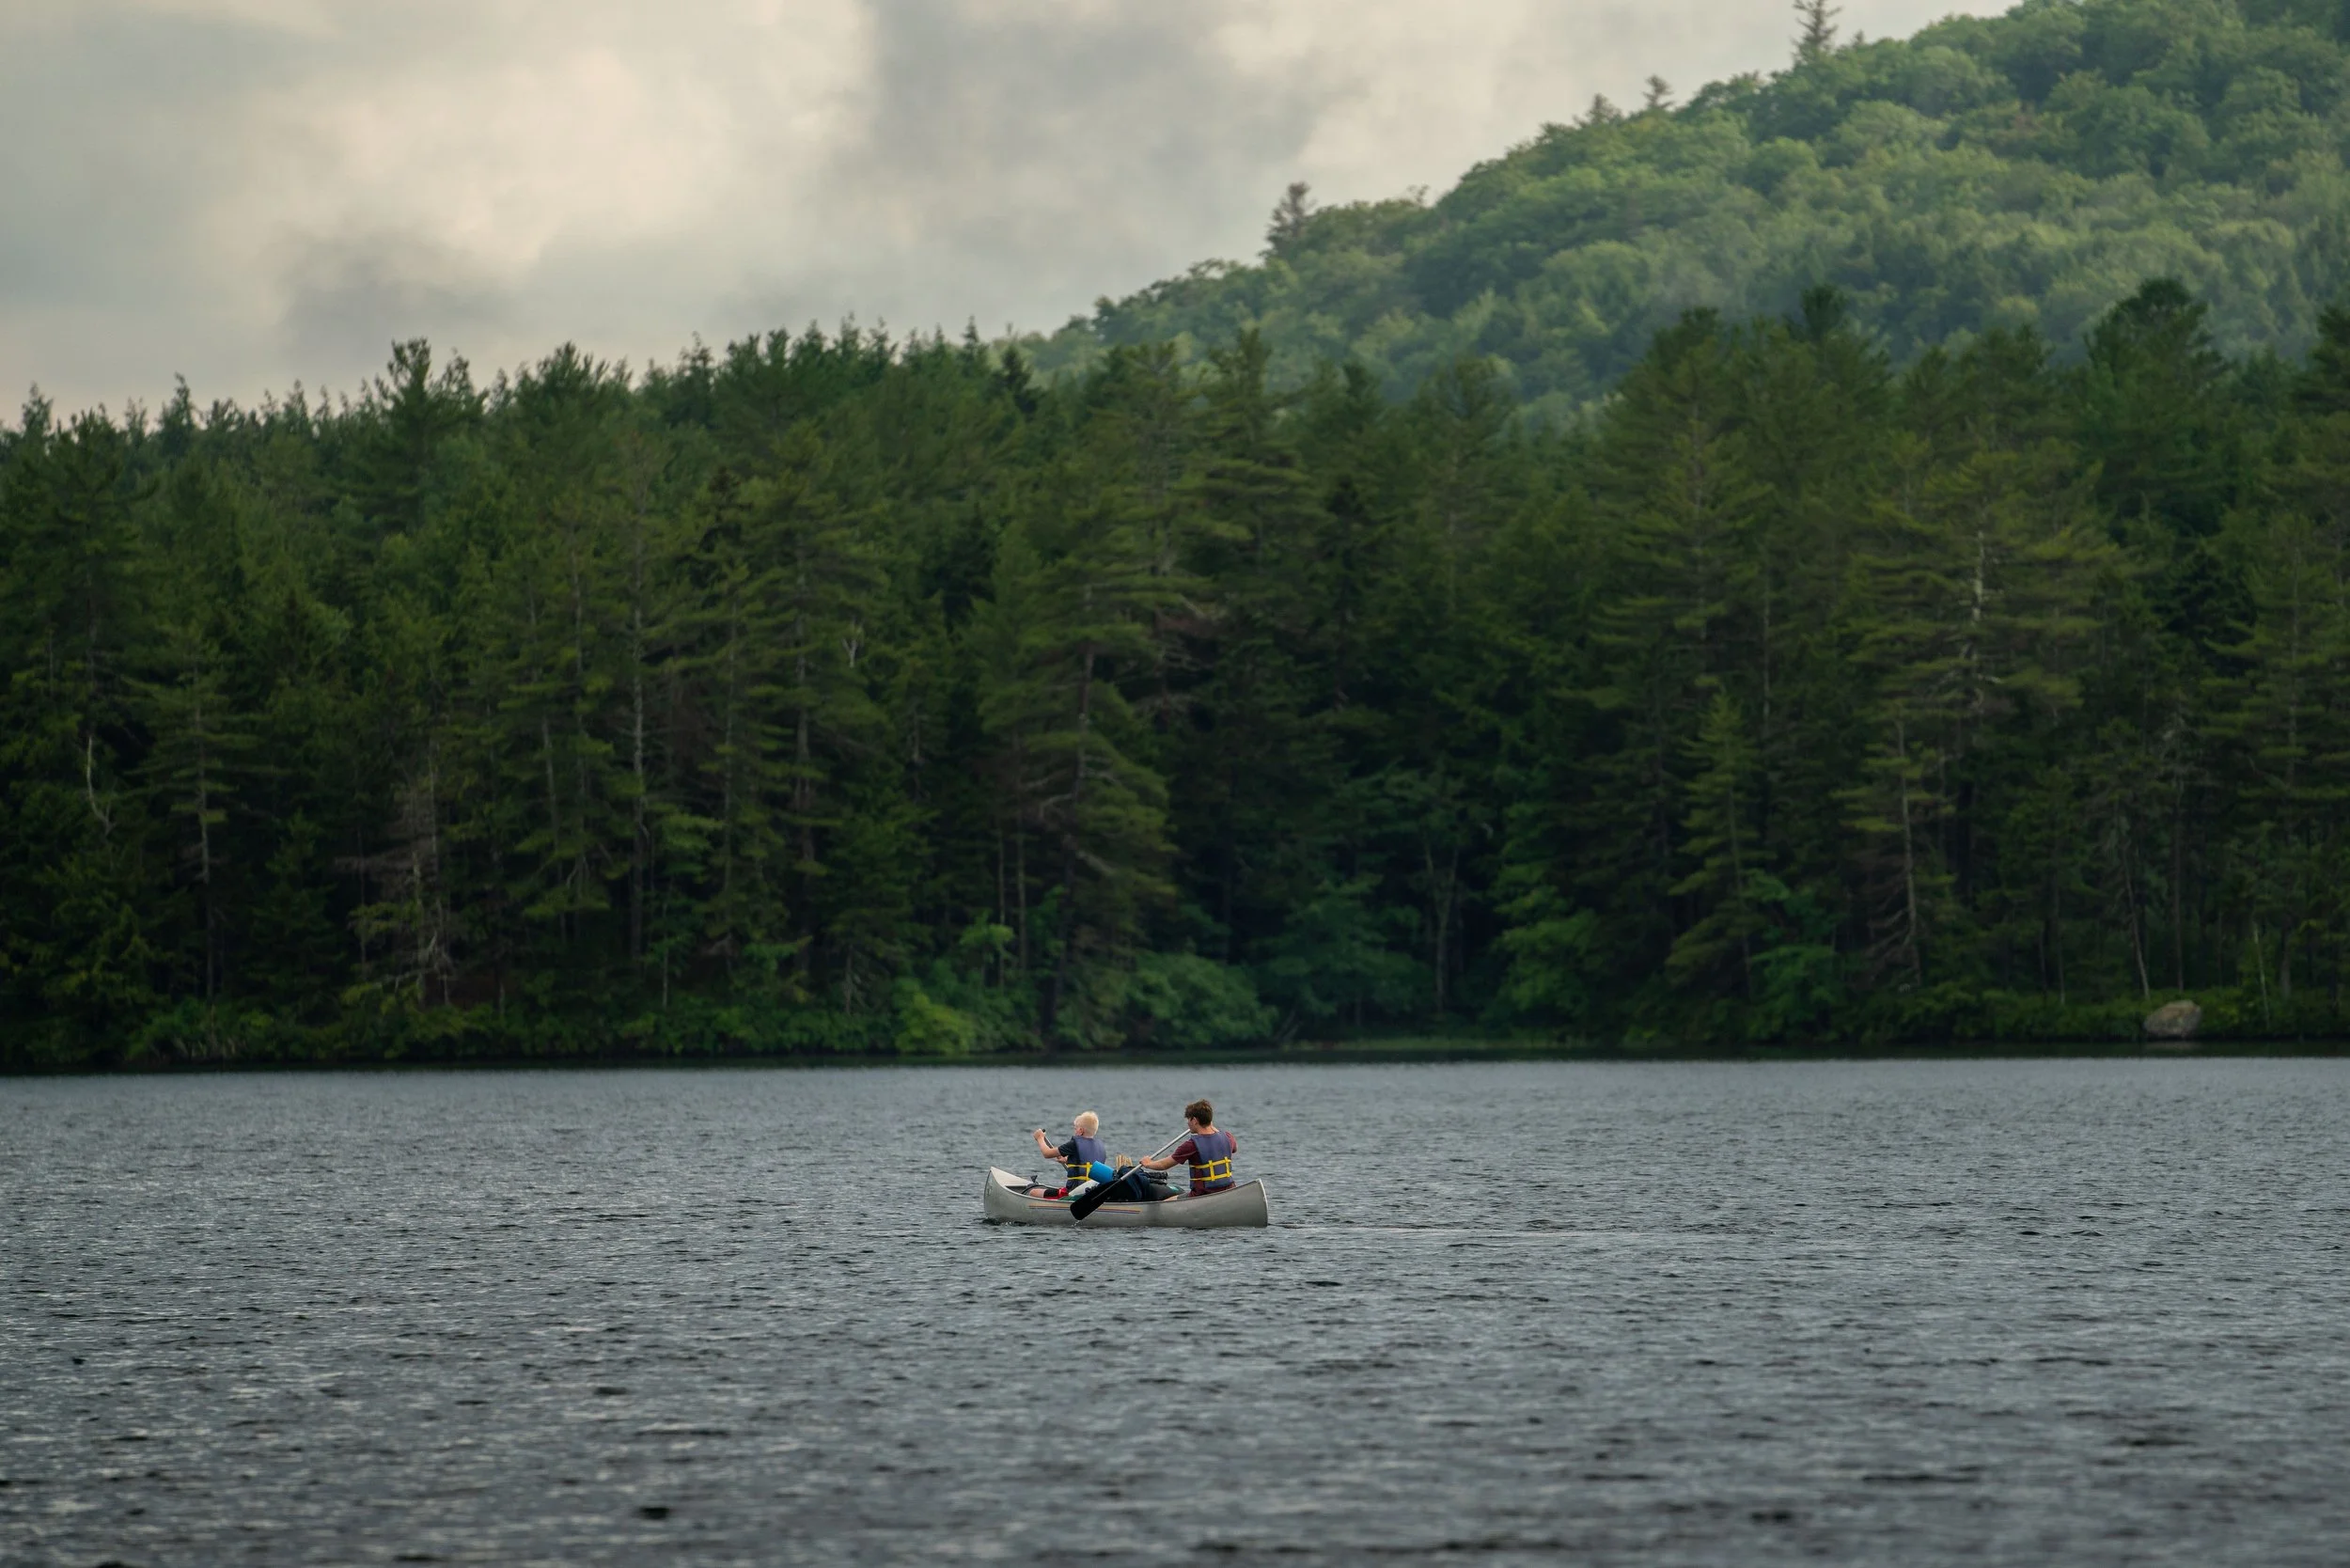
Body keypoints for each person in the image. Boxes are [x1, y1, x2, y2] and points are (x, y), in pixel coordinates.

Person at [1138, 1098, 1237, 1197]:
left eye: (1188, 1119)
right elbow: (1234, 1149)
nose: (1187, 1123)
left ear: (1194, 1121)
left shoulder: (1191, 1145)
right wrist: (1212, 1127)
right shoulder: (1228, 1137)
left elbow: (1164, 1165)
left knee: (1167, 1202)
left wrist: (1148, 1163)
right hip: (1229, 1190)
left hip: (1202, 1195)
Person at [1026, 1111, 1109, 1198]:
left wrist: (1040, 1138)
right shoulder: (1100, 1147)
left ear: (1080, 1131)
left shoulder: (1074, 1144)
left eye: (1075, 1128)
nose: (1075, 1130)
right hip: (1094, 1191)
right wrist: (1067, 1160)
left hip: (1074, 1192)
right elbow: (1086, 1163)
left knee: (1033, 1192)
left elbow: (1047, 1153)